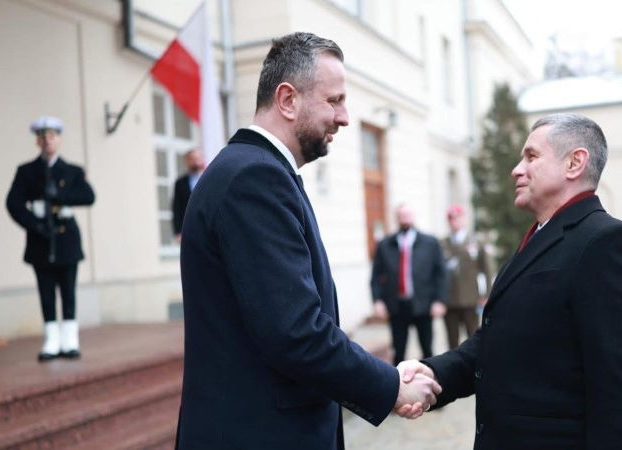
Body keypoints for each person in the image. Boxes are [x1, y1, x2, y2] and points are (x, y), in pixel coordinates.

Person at [175, 32, 440, 449]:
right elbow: (296, 332)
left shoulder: (257, 171)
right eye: (334, 101)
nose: (345, 118)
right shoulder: (254, 178)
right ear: (287, 99)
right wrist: (390, 385)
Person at [399, 113, 622, 449]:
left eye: (531, 156)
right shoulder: (541, 237)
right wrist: (434, 373)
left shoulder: (609, 245)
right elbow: (497, 341)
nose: (516, 169)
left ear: (574, 163)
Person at [6, 116, 95, 361]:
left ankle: (70, 339)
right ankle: (52, 340)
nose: (47, 141)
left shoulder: (73, 171)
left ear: (59, 140)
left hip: (66, 239)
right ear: (38, 141)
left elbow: (88, 196)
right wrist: (34, 224)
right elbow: (13, 203)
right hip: (41, 238)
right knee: (46, 292)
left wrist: (60, 196)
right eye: (43, 137)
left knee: (68, 290)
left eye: (52, 136)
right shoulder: (27, 171)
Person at [371, 204, 447, 365]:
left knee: (427, 350)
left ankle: (429, 378)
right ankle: (398, 380)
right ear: (396, 218)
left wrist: (439, 300)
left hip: (424, 304)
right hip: (396, 306)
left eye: (407, 215)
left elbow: (441, 273)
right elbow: (376, 275)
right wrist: (377, 300)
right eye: (401, 216)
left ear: (413, 216)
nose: (404, 219)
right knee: (398, 351)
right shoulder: (385, 244)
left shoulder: (430, 243)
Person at [440, 204, 492, 349]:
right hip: (449, 300)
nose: (454, 221)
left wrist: (486, 294)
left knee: (473, 337)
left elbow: (486, 271)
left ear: (464, 219)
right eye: (451, 218)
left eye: (457, 217)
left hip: (471, 298)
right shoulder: (442, 243)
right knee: (452, 340)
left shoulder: (476, 242)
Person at [171, 149, 205, 243]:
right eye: (192, 159)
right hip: (188, 229)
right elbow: (176, 208)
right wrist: (178, 232)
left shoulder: (210, 178)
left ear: (202, 159)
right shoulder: (180, 183)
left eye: (197, 158)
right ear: (187, 161)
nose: (195, 161)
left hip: (207, 226)